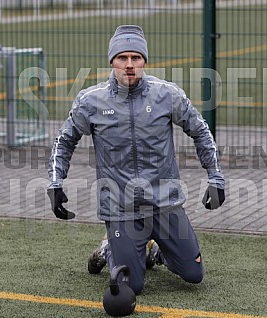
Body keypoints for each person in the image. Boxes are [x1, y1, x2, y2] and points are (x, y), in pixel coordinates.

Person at [47, 25, 225, 295]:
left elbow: (200, 130)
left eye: (136, 58)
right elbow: (64, 140)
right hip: (121, 210)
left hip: (165, 205)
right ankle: (111, 248)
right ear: (112, 61)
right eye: (122, 58)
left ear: (144, 61)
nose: (129, 65)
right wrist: (55, 183)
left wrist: (215, 176)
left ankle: (152, 251)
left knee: (193, 274)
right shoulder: (90, 101)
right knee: (132, 286)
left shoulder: (167, 94)